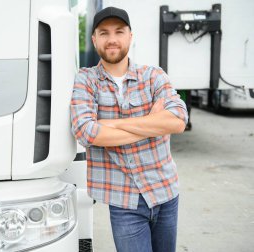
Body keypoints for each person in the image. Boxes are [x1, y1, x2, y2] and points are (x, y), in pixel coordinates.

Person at [70, 6, 188, 252]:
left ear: (130, 36)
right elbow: (85, 132)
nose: (112, 39)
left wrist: (111, 124)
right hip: (124, 202)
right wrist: (151, 123)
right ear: (94, 39)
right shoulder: (86, 79)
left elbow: (177, 120)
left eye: (119, 32)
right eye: (104, 33)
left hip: (165, 192)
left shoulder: (153, 76)